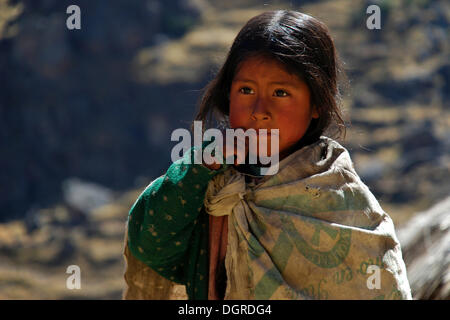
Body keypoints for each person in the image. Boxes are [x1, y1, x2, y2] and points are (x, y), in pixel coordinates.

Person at [123, 10, 412, 300]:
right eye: (246, 90)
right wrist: (198, 168)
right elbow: (151, 245)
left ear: (317, 105)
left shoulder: (343, 201)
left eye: (281, 93)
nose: (259, 111)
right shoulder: (208, 184)